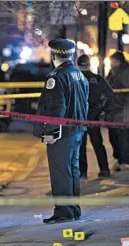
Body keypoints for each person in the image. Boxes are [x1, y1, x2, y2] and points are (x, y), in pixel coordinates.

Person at [33, 39, 89, 224]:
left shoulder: (56, 77)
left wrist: (50, 131)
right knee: (72, 170)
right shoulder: (79, 75)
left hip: (62, 132)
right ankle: (73, 209)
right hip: (78, 130)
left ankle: (64, 212)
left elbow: (56, 107)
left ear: (54, 54)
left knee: (60, 171)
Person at [76, 54, 115, 179]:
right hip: (93, 117)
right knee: (98, 144)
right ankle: (104, 170)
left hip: (79, 118)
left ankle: (82, 173)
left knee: (80, 147)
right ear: (89, 64)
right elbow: (110, 95)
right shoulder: (98, 79)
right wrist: (102, 110)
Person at [106, 52, 129, 171]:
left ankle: (125, 162)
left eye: (113, 61)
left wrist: (115, 102)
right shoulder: (114, 71)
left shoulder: (127, 73)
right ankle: (119, 159)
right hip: (114, 112)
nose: (112, 64)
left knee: (124, 137)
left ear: (119, 61)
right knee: (114, 136)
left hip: (124, 112)